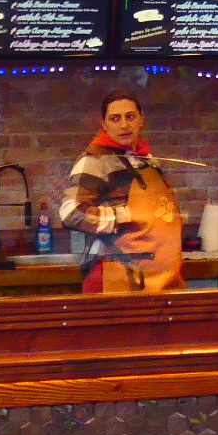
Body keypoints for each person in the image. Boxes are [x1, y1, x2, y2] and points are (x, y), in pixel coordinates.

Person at [58, 89, 182, 293]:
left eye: (130, 117)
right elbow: (71, 212)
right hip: (114, 274)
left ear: (141, 119)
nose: (124, 125)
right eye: (115, 119)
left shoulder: (146, 159)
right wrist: (125, 216)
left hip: (154, 275)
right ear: (104, 124)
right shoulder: (95, 160)